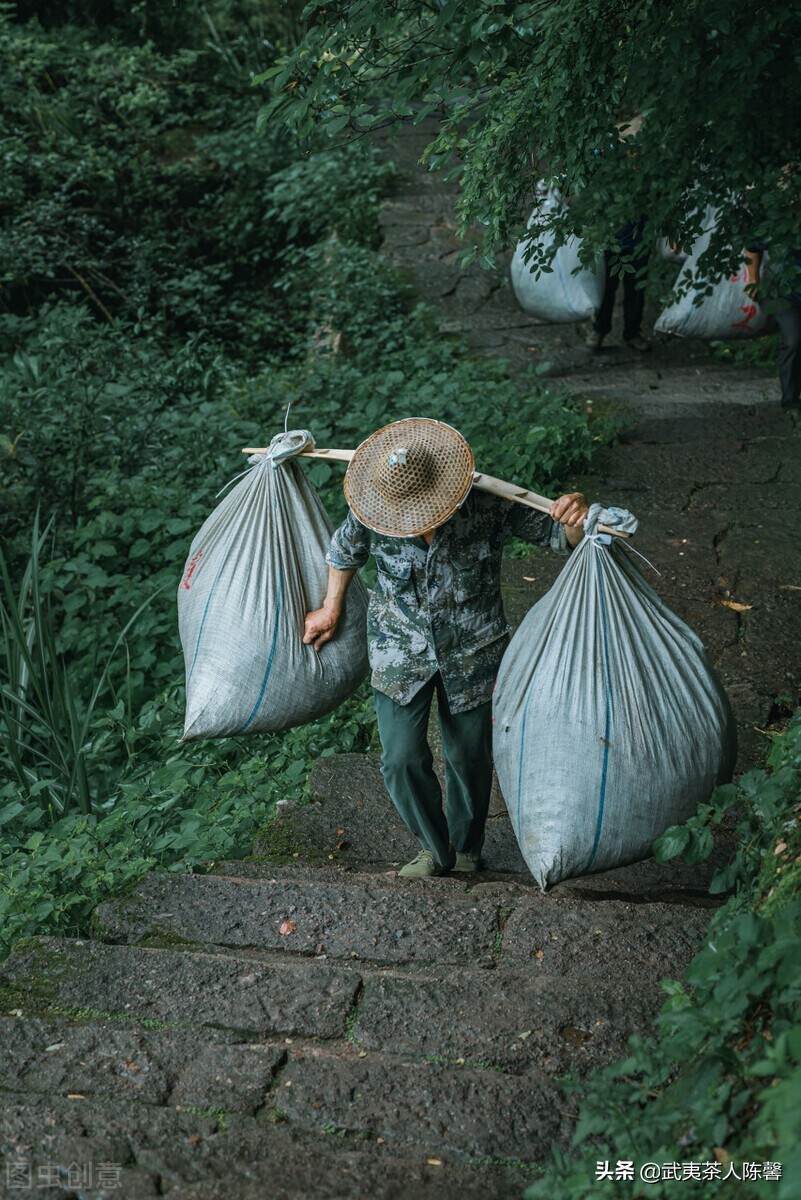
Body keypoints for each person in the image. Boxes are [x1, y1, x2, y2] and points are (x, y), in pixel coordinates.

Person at [302, 418, 589, 879]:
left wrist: (574, 517)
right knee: (400, 759)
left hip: (474, 649)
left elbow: (558, 537)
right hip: (401, 650)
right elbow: (344, 552)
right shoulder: (373, 509)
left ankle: (467, 845)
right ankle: (435, 852)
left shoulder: (487, 504)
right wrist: (330, 608)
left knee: (470, 756)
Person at [745, 242, 801, 410]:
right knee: (793, 339)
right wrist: (753, 279)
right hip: (780, 294)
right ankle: (790, 399)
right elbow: (752, 247)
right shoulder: (783, 223)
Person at [585, 216, 652, 353]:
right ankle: (599, 329)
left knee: (636, 289)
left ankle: (632, 333)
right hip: (608, 239)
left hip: (639, 240)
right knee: (605, 289)